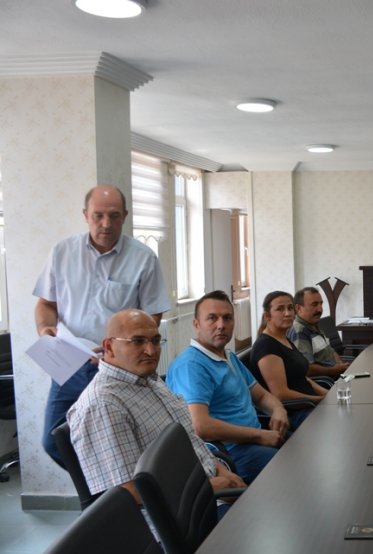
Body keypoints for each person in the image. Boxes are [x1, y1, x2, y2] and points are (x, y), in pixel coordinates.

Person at [33, 184, 170, 466]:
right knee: (54, 441)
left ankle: (124, 489)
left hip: (118, 367)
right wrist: (45, 330)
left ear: (125, 216)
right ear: (86, 215)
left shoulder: (143, 258)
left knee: (126, 440)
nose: (106, 224)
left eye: (114, 216)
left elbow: (152, 317)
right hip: (70, 362)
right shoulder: (62, 252)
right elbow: (46, 304)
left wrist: (119, 352)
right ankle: (103, 489)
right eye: (98, 215)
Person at [67, 309, 244, 512]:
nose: (151, 351)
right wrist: (210, 488)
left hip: (208, 491)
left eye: (156, 340)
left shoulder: (148, 379)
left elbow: (193, 442)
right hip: (180, 517)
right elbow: (129, 494)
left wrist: (223, 472)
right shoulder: (103, 405)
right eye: (138, 341)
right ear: (109, 347)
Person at [166, 291, 289, 484]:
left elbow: (261, 396)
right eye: (212, 318)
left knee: (303, 448)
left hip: (254, 440)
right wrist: (259, 436)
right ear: (196, 324)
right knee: (292, 469)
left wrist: (278, 409)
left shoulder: (228, 356)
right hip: (229, 453)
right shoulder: (191, 365)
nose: (221, 325)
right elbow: (201, 426)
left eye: (227, 318)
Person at [252, 291, 328, 428]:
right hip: (294, 413)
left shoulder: (283, 338)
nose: (287, 313)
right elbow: (281, 394)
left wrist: (328, 395)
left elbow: (302, 378)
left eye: (290, 308)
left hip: (309, 405)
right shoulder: (266, 346)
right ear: (267, 316)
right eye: (280, 309)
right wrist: (319, 400)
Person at [286, 287, 350, 379]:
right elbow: (307, 368)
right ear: (298, 308)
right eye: (314, 304)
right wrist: (335, 370)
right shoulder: (299, 332)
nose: (320, 309)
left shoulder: (313, 324)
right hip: (327, 381)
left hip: (338, 375)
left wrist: (341, 365)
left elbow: (330, 350)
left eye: (321, 304)